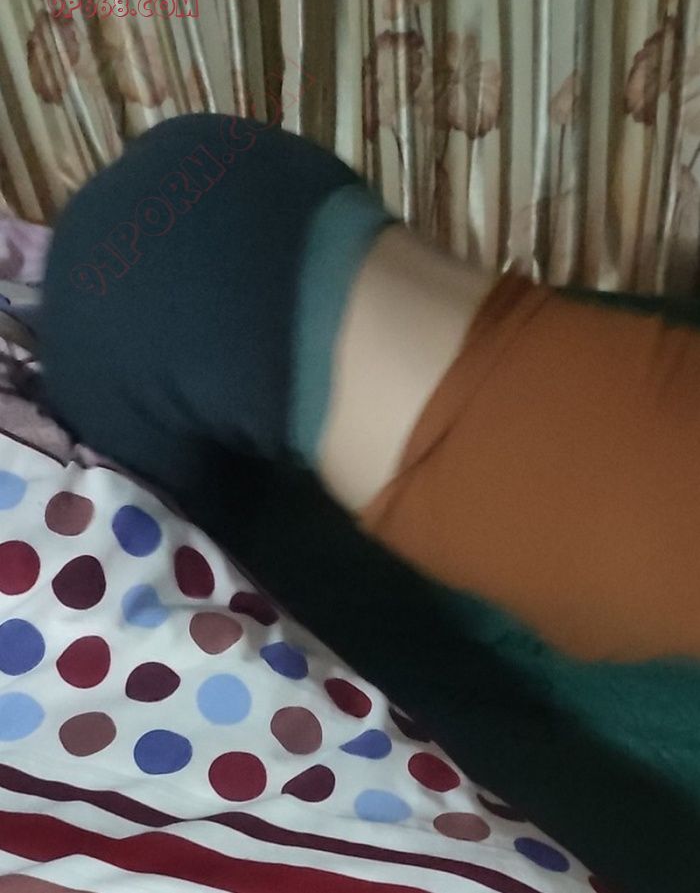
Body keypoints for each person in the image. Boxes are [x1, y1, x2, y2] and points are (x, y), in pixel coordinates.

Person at [39, 112, 700, 664]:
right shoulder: (200, 140)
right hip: (219, 158)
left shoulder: (82, 327)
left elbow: (186, 540)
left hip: (526, 472)